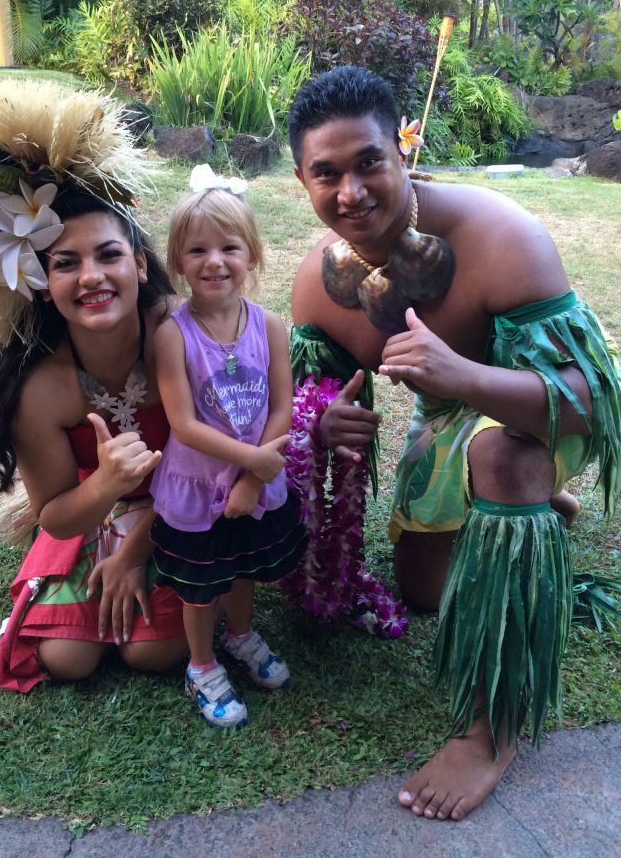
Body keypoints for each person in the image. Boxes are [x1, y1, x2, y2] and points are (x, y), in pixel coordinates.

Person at [288, 66, 620, 820]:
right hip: (446, 415)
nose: (352, 192)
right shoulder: (318, 283)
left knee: (505, 456)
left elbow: (587, 401)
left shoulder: (501, 238)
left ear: (404, 150)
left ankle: (490, 729)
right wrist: (322, 422)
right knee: (424, 593)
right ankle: (533, 507)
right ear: (303, 181)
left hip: (541, 411)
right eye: (326, 173)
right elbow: (310, 405)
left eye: (369, 161)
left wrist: (463, 373)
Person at [0, 80, 188, 692]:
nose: (92, 277)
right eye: (65, 263)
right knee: (66, 660)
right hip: (92, 515)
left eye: (108, 255)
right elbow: (56, 515)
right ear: (40, 280)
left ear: (138, 263)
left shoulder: (181, 340)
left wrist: (138, 549)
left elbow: (213, 469)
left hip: (187, 511)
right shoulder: (42, 388)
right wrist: (108, 483)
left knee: (153, 654)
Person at [148, 179, 307, 727]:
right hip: (197, 489)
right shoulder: (173, 335)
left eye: (228, 247)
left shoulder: (271, 326)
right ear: (178, 261)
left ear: (252, 254)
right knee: (201, 585)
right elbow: (183, 424)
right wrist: (252, 463)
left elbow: (282, 407)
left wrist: (255, 478)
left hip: (256, 482)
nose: (214, 261)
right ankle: (201, 663)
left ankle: (240, 636)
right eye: (197, 250)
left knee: (242, 570)